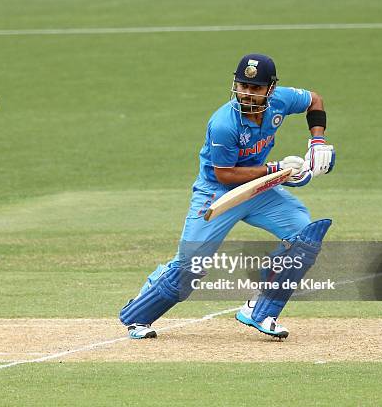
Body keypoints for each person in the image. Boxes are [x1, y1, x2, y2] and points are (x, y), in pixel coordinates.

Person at [120, 53, 335, 339]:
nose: (247, 93)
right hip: (217, 193)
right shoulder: (224, 123)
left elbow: (314, 100)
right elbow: (225, 174)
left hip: (258, 190)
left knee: (304, 237)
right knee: (190, 267)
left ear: (270, 89)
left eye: (255, 88)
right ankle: (139, 314)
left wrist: (317, 142)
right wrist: (276, 169)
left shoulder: (282, 100)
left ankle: (261, 308)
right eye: (243, 85)